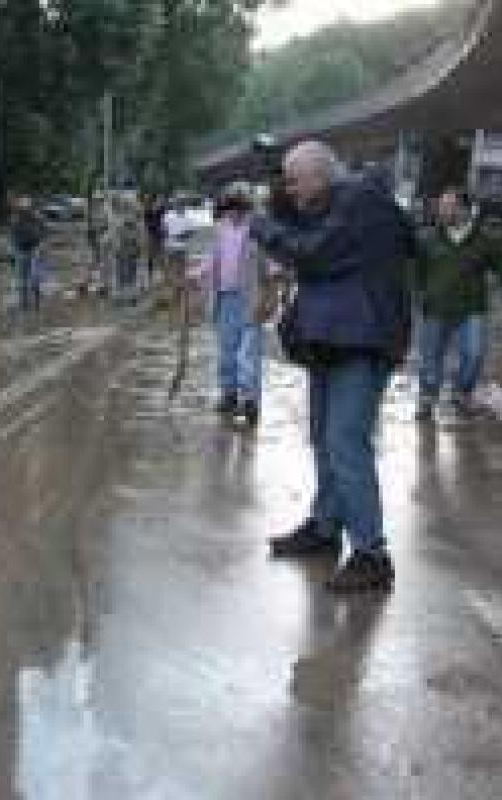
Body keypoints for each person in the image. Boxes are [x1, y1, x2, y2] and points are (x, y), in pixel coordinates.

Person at [251, 141, 416, 592]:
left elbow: (314, 252)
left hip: (361, 341)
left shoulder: (362, 200)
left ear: (322, 174)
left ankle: (371, 553)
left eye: (293, 180)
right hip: (335, 340)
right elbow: (303, 232)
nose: (290, 189)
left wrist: (263, 226)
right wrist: (277, 200)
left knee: (345, 440)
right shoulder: (338, 202)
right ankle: (326, 527)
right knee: (325, 437)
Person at [414, 188, 502, 421]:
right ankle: (427, 399)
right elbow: (416, 272)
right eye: (442, 205)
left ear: (464, 209)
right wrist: (420, 295)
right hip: (435, 308)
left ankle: (461, 393)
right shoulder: (428, 238)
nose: (442, 210)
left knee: (473, 355)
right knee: (430, 358)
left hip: (471, 309)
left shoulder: (485, 239)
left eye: (449, 206)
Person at [202, 183, 280, 426]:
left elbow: (270, 265)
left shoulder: (257, 232)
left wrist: (273, 291)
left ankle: (250, 402)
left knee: (248, 355)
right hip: (224, 298)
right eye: (229, 208)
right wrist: (197, 274)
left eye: (238, 208)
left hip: (250, 300)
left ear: (247, 209)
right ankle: (229, 395)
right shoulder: (220, 231)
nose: (233, 213)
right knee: (226, 352)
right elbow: (212, 260)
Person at [9, 196, 47, 311]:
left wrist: (40, 246)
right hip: (23, 250)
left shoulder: (35, 218)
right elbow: (13, 235)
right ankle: (26, 304)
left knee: (32, 278)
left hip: (31, 250)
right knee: (24, 279)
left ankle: (32, 303)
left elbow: (43, 232)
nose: (25, 208)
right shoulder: (18, 218)